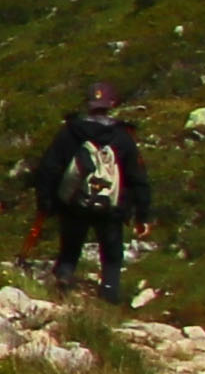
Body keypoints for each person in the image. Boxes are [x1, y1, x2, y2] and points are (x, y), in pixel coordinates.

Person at [26, 83, 154, 300]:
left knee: (70, 249)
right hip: (111, 207)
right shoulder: (123, 137)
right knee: (112, 256)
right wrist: (143, 214)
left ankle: (63, 283)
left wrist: (47, 203)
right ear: (111, 104)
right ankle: (110, 294)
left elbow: (49, 169)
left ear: (88, 104)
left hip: (74, 204)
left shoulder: (71, 132)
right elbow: (137, 177)